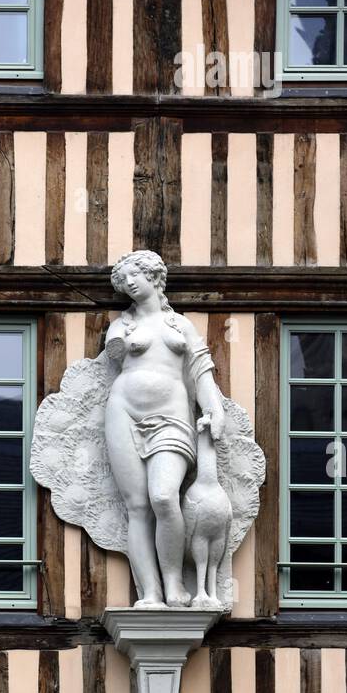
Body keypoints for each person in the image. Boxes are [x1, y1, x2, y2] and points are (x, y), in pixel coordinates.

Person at [104, 249, 226, 608]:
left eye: (134, 275)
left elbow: (200, 371)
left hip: (172, 415)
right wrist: (123, 343)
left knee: (162, 496)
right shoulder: (120, 326)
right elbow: (113, 355)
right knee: (138, 505)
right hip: (123, 411)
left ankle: (174, 584)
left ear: (154, 277)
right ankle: (151, 593)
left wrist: (214, 409)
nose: (128, 282)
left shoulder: (180, 325)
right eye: (123, 279)